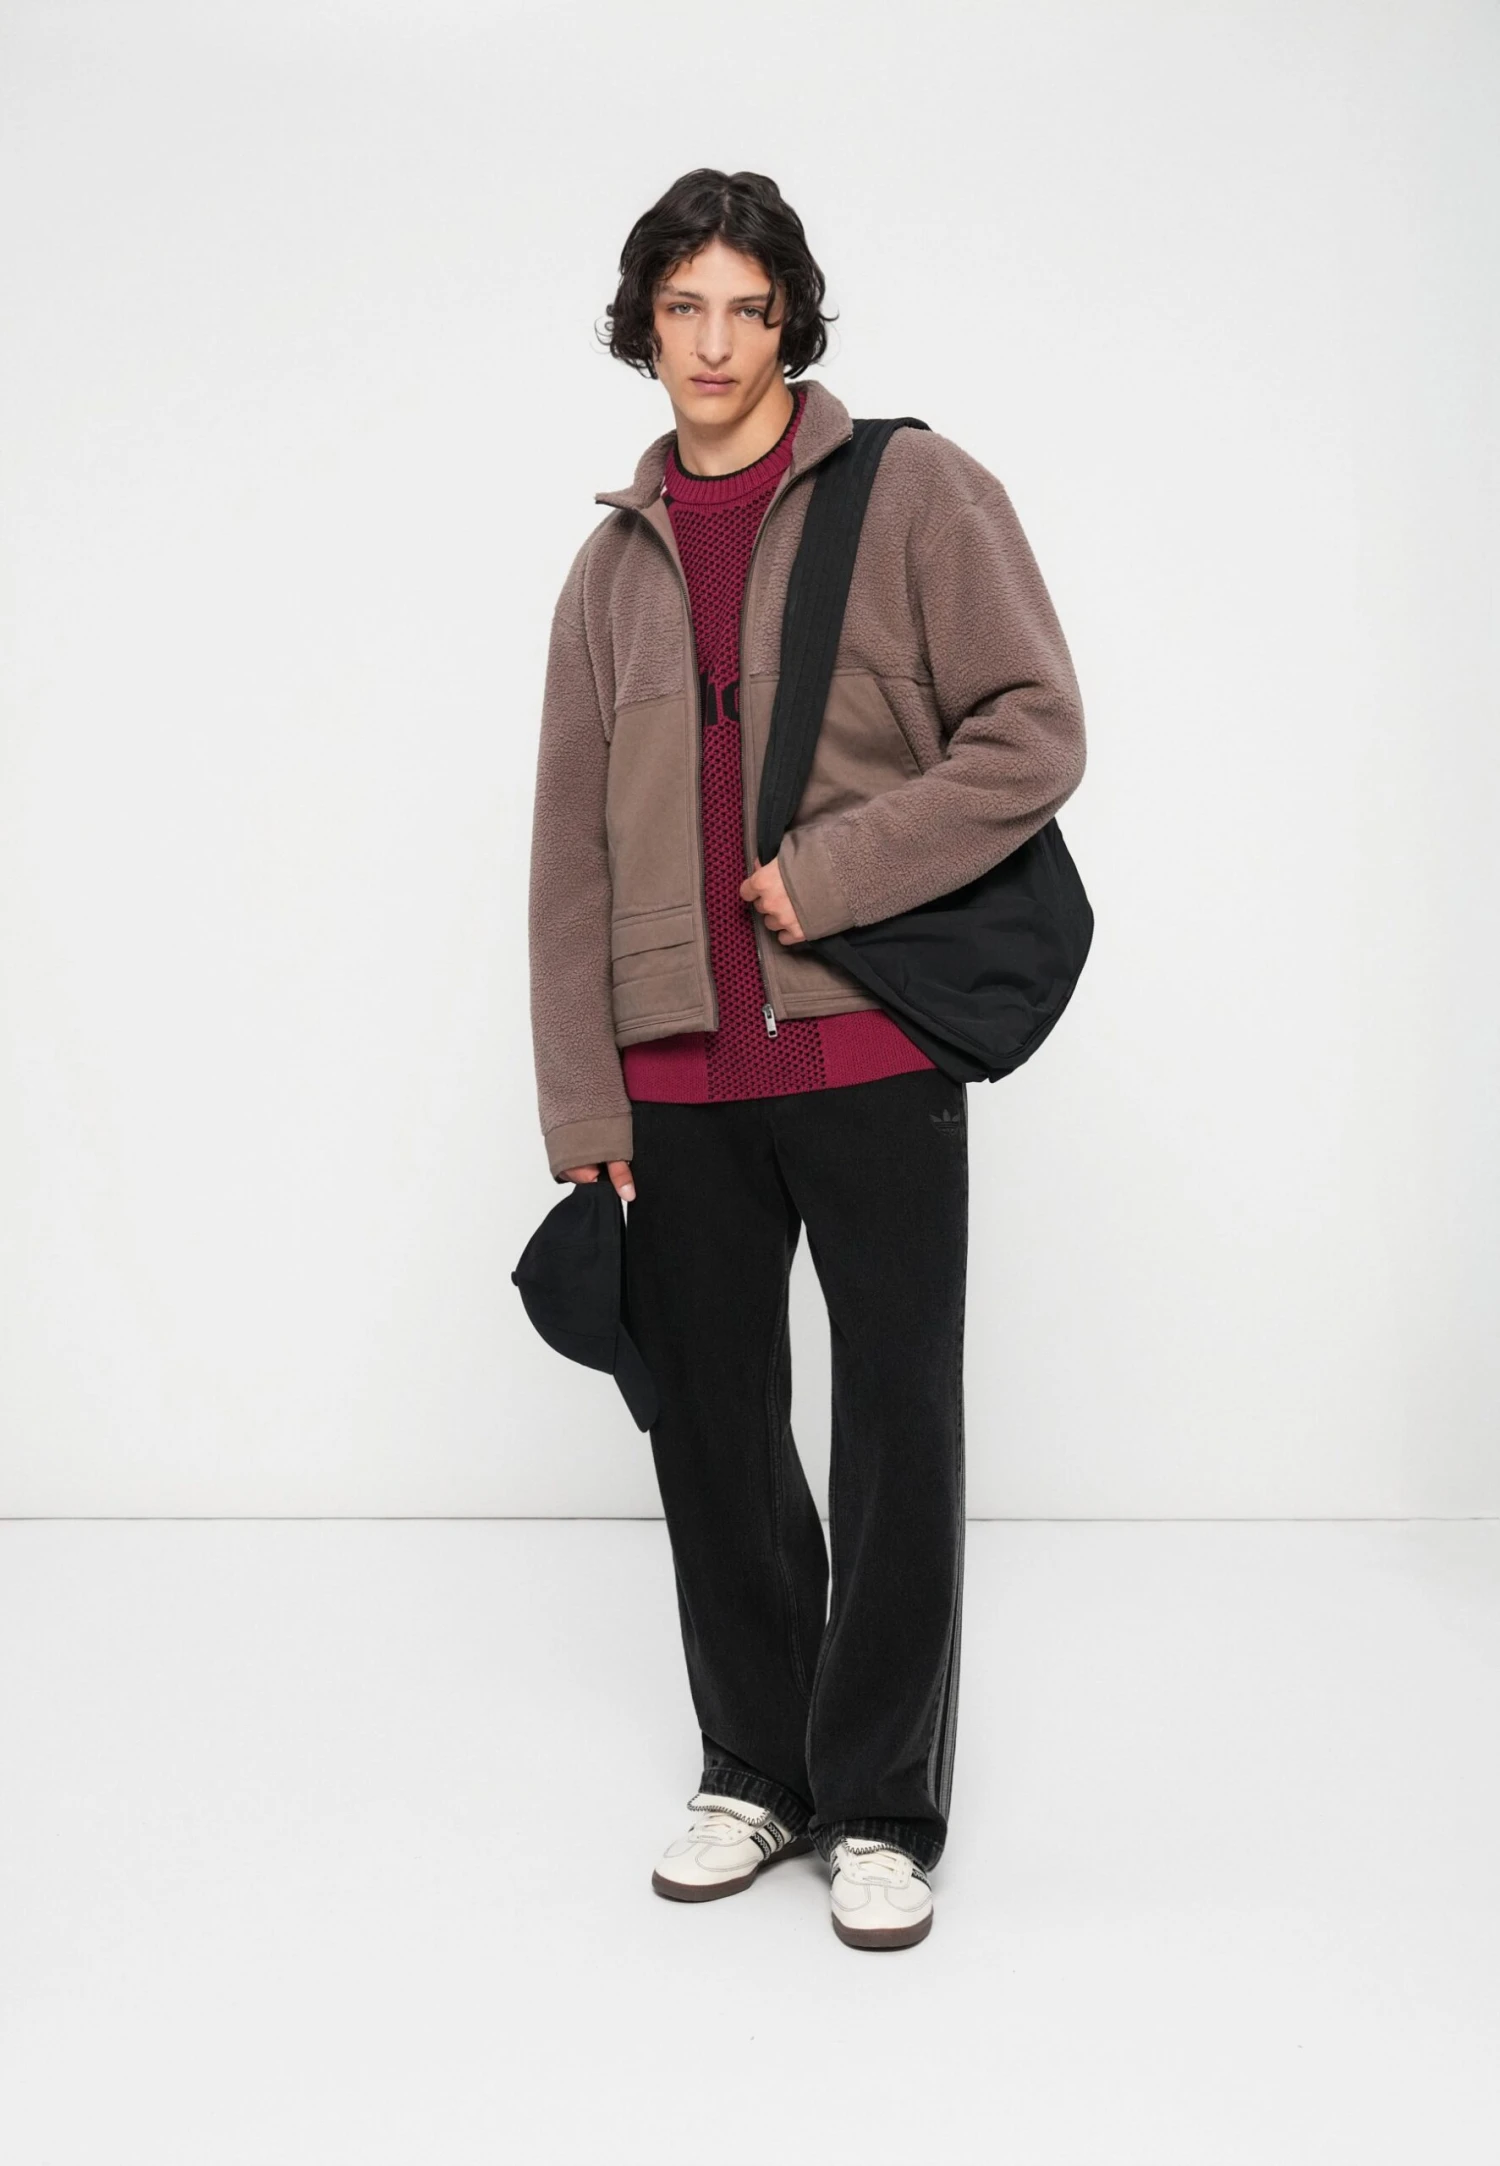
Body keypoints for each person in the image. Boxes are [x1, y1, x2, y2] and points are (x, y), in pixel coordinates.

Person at [526, 168, 1086, 1950]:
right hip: (676, 1076)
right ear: (645, 325)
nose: (714, 342)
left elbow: (1035, 730)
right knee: (713, 1431)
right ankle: (755, 1768)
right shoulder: (606, 570)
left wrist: (833, 875)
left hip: (868, 1049)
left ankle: (883, 1804)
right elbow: (568, 858)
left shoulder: (912, 494)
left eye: (746, 308)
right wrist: (582, 1097)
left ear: (790, 322)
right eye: (683, 306)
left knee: (896, 1426)